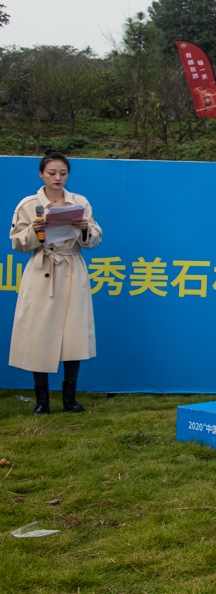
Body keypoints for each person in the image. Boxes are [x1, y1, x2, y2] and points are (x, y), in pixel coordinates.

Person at [9, 150, 103, 415]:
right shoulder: (28, 204)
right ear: (41, 174)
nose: (57, 177)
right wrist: (36, 231)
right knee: (39, 334)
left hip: (72, 267)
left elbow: (96, 237)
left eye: (63, 173)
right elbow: (17, 242)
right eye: (52, 173)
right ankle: (42, 400)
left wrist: (83, 228)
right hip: (43, 269)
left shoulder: (79, 201)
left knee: (74, 335)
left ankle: (70, 398)